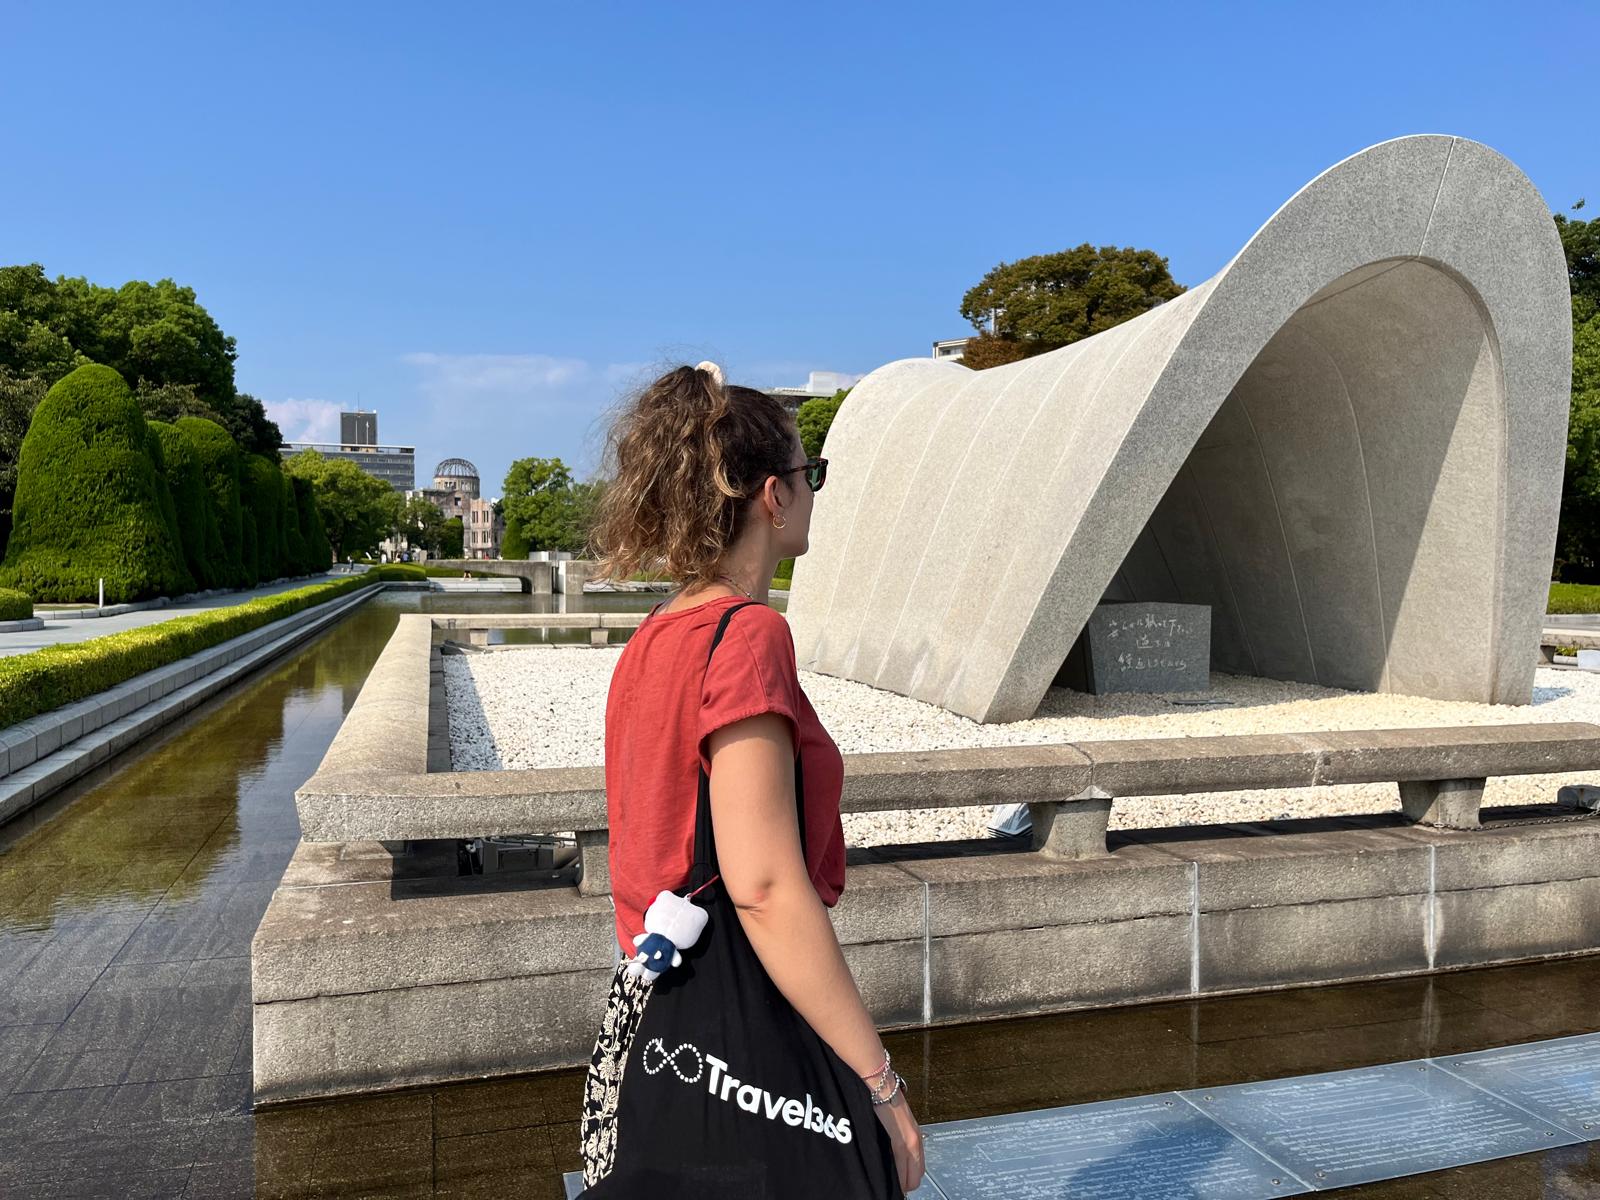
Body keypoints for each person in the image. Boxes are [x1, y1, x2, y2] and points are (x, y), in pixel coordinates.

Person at [578, 362, 924, 1195]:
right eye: (812, 474)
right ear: (773, 494)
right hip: (742, 1030)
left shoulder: (653, 640)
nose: (813, 491)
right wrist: (882, 1086)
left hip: (660, 1023)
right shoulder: (748, 636)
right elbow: (763, 883)